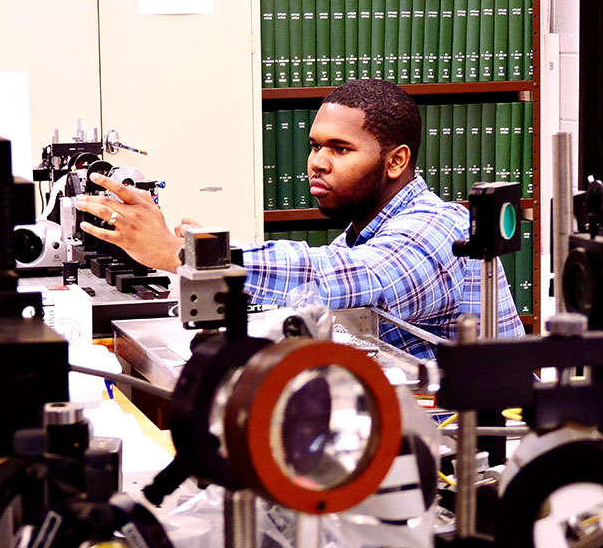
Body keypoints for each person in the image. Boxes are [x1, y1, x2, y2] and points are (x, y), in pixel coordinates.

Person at [77, 78, 525, 359]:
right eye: (315, 145)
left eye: (340, 148)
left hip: (486, 455)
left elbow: (353, 278)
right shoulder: (364, 233)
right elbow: (311, 294)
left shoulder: (437, 227)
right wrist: (213, 257)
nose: (318, 162)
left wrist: (186, 255)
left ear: (396, 161)